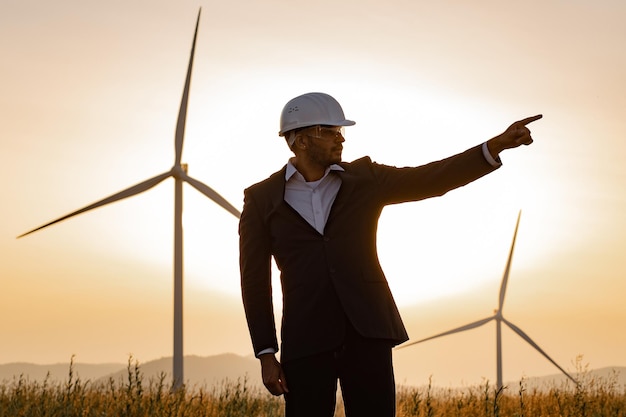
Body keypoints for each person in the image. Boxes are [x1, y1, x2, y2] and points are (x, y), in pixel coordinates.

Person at [239, 92, 541, 417]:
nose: (340, 138)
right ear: (298, 140)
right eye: (329, 131)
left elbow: (432, 178)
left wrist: (493, 147)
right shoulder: (261, 199)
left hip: (368, 333)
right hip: (306, 340)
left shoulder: (365, 178)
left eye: (341, 131)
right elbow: (254, 282)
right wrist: (266, 354)